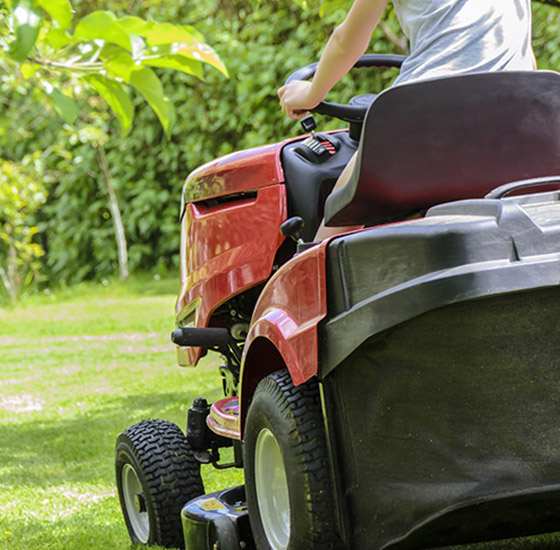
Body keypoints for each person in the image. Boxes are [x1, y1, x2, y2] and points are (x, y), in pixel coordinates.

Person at [278, 0, 536, 240]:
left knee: (341, 210)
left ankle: (313, 281)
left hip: (428, 115)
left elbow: (347, 41)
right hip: (525, 119)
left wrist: (311, 94)